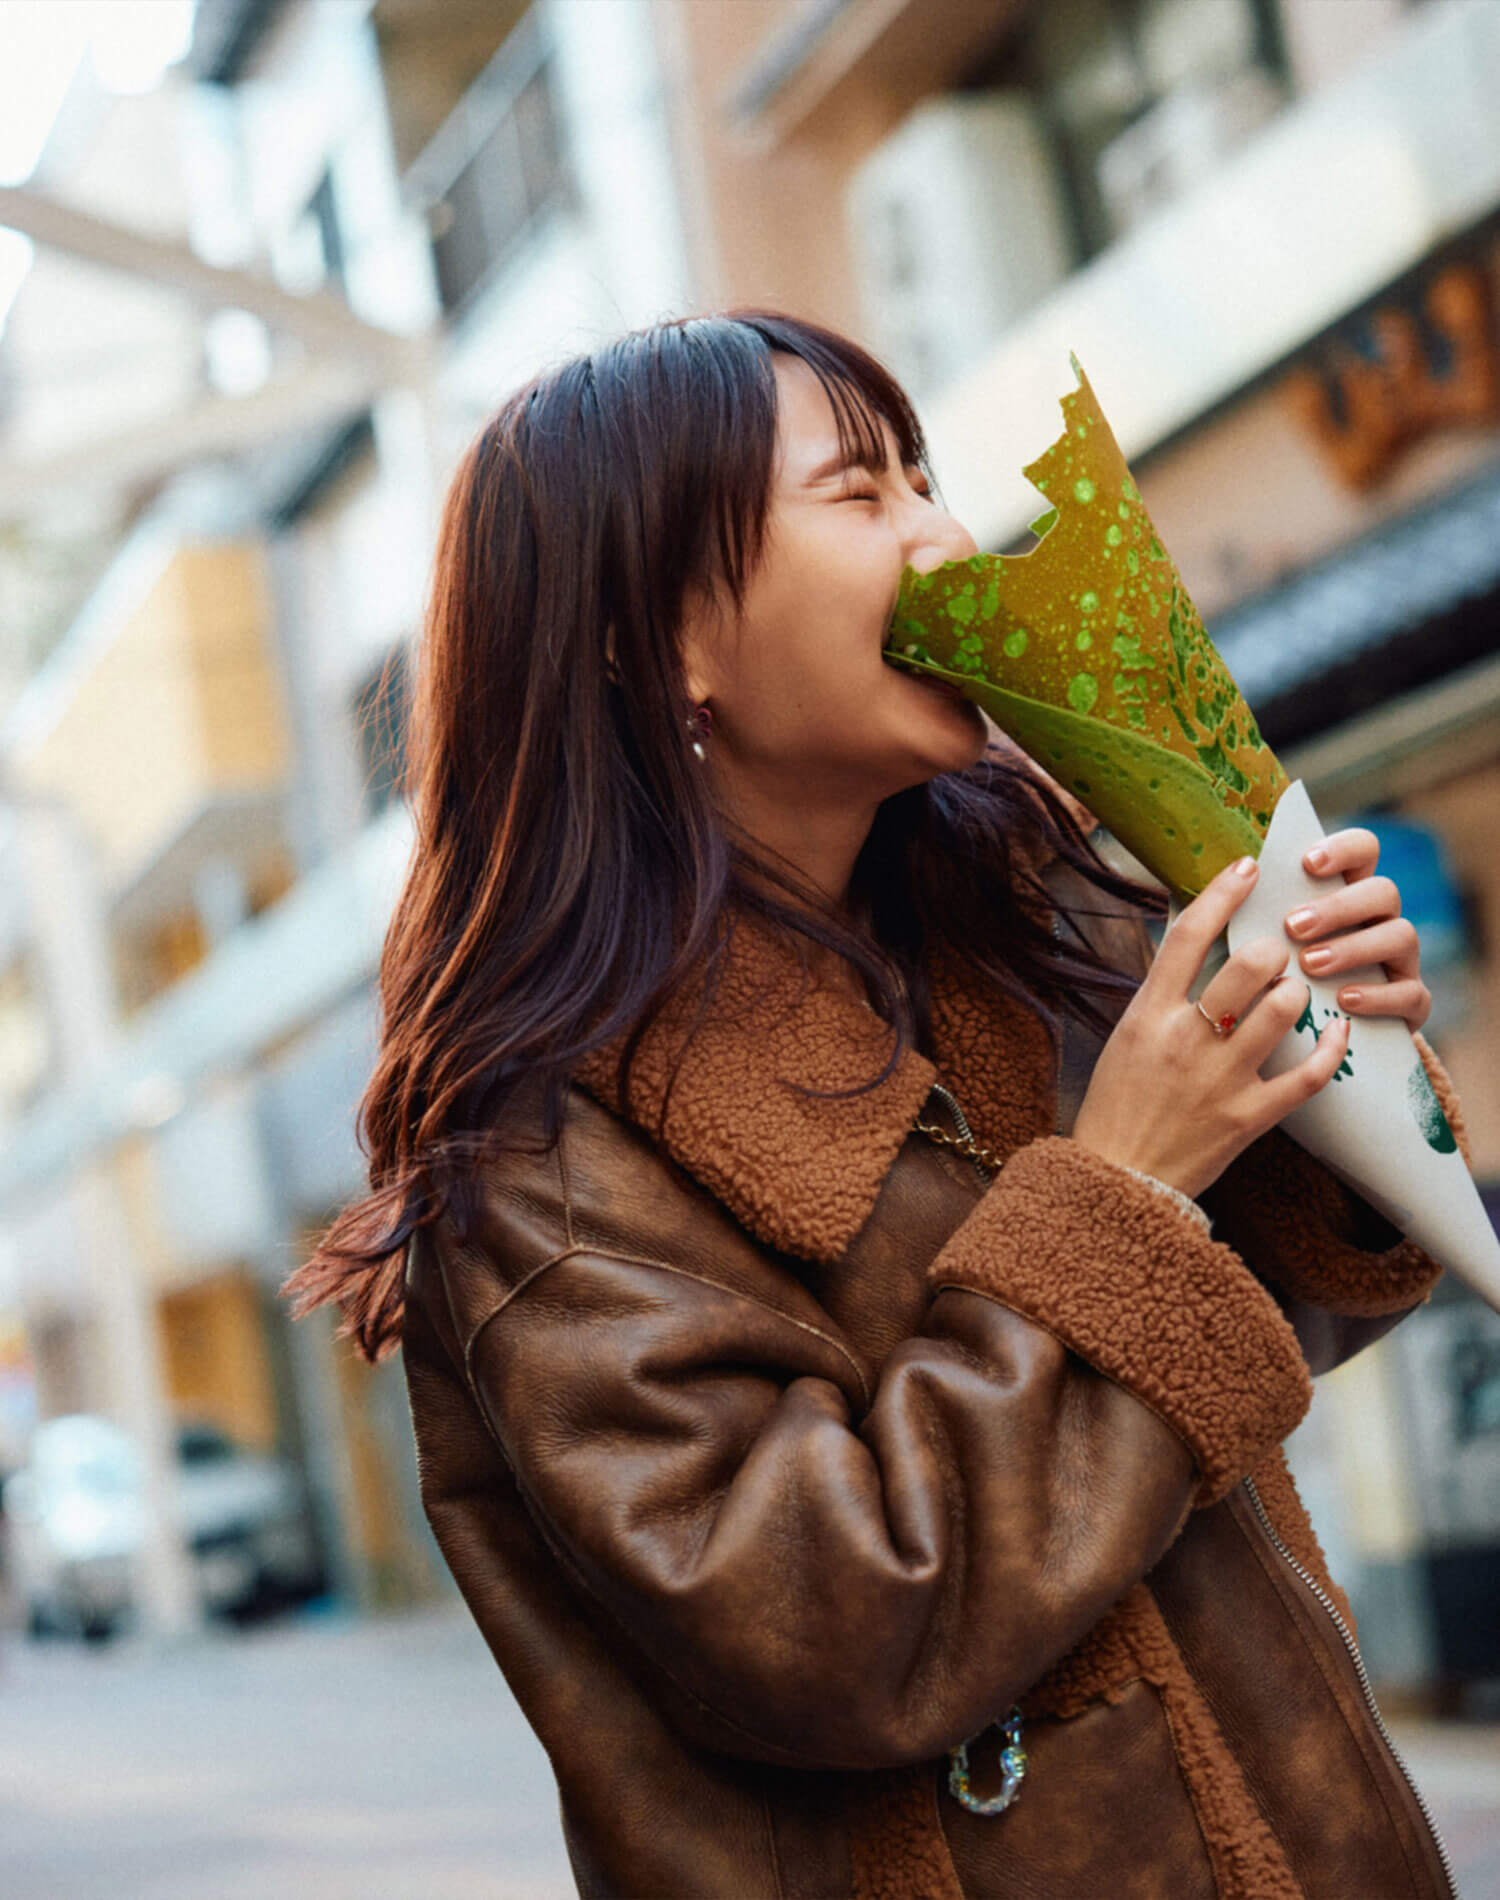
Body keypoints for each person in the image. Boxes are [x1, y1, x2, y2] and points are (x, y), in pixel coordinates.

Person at [283, 312, 1465, 1899]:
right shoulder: (546, 1173)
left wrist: (1332, 1068)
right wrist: (1124, 1188)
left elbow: (1271, 1327)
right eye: (860, 495)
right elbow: (839, 1634)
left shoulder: (1025, 930)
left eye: (929, 481)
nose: (949, 538)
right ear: (656, 636)